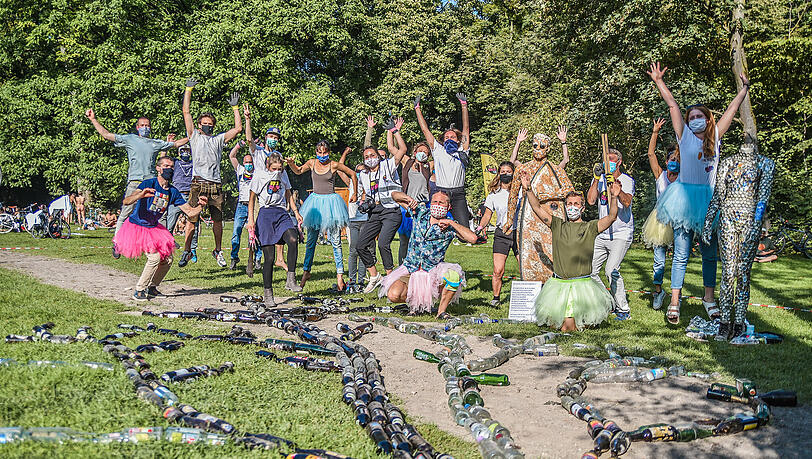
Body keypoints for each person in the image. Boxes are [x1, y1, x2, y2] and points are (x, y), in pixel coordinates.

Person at [648, 62, 751, 324]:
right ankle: (674, 300)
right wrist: (659, 81)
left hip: (707, 201)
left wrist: (744, 89)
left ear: (707, 119)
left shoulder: (715, 136)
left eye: (698, 116)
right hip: (683, 200)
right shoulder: (683, 136)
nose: (693, 120)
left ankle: (708, 298)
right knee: (681, 253)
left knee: (709, 254)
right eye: (690, 116)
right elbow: (672, 106)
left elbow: (731, 110)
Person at [520, 170, 620, 331]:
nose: (572, 207)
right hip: (559, 283)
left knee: (568, 328)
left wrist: (614, 197)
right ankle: (575, 319)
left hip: (581, 285)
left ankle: (581, 318)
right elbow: (537, 207)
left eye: (576, 204)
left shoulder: (590, 227)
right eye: (569, 204)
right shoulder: (558, 225)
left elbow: (612, 217)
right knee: (554, 325)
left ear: (582, 207)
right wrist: (528, 189)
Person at [85, 109, 188, 258]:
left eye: (147, 125)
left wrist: (193, 136)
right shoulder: (130, 139)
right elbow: (106, 135)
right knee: (126, 211)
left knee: (160, 212)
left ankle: (165, 240)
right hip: (135, 181)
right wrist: (93, 119)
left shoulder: (155, 143)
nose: (145, 127)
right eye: (142, 125)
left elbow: (176, 144)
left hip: (152, 183)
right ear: (137, 127)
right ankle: (117, 243)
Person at [702, 143, 775, 340]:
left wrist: (757, 223)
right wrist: (708, 223)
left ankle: (739, 320)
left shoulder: (765, 164)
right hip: (727, 219)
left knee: (743, 273)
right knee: (728, 271)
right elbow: (718, 196)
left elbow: (763, 198)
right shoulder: (727, 163)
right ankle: (725, 322)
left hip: (750, 220)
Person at [112, 156, 206, 300]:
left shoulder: (172, 191)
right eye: (166, 166)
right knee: (154, 258)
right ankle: (139, 290)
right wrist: (141, 195)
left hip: (154, 228)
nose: (170, 169)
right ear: (158, 168)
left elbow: (190, 212)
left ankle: (152, 287)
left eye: (172, 167)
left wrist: (201, 205)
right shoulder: (148, 183)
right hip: (138, 226)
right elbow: (126, 201)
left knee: (167, 259)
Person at [378, 191, 478, 318]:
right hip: (411, 267)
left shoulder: (450, 226)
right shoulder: (420, 212)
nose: (437, 205)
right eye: (435, 202)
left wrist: (452, 223)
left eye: (441, 203)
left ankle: (441, 312)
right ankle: (415, 304)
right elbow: (395, 196)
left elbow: (473, 238)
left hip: (432, 270)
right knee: (393, 295)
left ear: (448, 207)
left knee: (453, 276)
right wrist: (408, 198)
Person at [179, 78, 243, 268]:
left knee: (218, 220)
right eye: (205, 123)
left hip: (215, 183)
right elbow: (186, 111)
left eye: (210, 123)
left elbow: (238, 129)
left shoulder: (218, 140)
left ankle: (217, 250)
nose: (208, 125)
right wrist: (188, 89)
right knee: (192, 218)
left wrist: (235, 108)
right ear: (199, 125)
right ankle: (187, 250)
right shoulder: (194, 136)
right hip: (198, 182)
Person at [504, 126, 574, 282]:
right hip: (527, 218)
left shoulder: (555, 169)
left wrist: (547, 196)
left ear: (547, 149)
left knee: (550, 253)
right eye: (535, 145)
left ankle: (551, 287)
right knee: (528, 253)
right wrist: (510, 219)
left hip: (548, 218)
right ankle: (531, 292)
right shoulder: (523, 168)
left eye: (542, 146)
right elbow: (513, 195)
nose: (538, 149)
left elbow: (569, 191)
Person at [286, 141, 357, 290]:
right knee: (311, 242)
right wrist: (292, 164)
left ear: (329, 152)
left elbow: (353, 174)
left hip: (332, 204)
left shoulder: (334, 165)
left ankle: (340, 275)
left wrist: (355, 192)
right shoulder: (312, 163)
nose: (322, 155)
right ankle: (306, 271)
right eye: (320, 152)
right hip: (315, 205)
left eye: (325, 152)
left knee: (336, 242)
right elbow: (298, 171)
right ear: (316, 152)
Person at [357, 118, 408, 293]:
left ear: (379, 157)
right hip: (375, 212)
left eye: (373, 156)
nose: (370, 159)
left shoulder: (388, 166)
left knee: (383, 244)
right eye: (366, 157)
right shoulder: (363, 174)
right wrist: (363, 203)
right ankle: (374, 276)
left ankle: (390, 279)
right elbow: (365, 147)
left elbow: (402, 150)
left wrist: (395, 131)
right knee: (360, 244)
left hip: (391, 210)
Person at [246, 152, 304, 304]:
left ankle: (291, 279)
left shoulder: (283, 175)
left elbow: (288, 194)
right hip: (265, 214)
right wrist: (251, 220)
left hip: (281, 212)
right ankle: (268, 294)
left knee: (293, 238)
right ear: (268, 166)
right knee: (269, 258)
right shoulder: (259, 176)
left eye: (279, 168)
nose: (277, 171)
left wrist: (296, 212)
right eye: (274, 168)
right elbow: (251, 199)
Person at [587, 146, 635, 320]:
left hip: (621, 233)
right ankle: (609, 302)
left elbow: (627, 202)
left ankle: (623, 309)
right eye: (605, 160)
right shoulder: (600, 180)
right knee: (590, 272)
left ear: (619, 162)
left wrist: (617, 190)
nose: (608, 164)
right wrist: (596, 178)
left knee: (611, 270)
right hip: (602, 233)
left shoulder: (626, 180)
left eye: (612, 160)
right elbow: (591, 201)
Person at [414, 93, 471, 225]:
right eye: (447, 138)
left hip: (458, 194)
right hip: (441, 192)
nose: (449, 139)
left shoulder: (462, 151)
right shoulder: (438, 151)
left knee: (463, 230)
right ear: (443, 141)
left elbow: (466, 128)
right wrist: (417, 108)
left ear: (458, 140)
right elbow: (425, 130)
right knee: (433, 226)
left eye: (452, 137)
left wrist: (464, 106)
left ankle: (451, 227)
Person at [244, 106, 288, 272]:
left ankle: (279, 258)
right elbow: (249, 140)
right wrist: (248, 119)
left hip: (274, 195)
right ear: (265, 137)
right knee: (253, 227)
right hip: (258, 194)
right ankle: (251, 256)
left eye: (276, 137)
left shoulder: (278, 156)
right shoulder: (259, 152)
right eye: (271, 136)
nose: (273, 139)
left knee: (279, 226)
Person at [642, 118, 680, 310]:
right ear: (666, 161)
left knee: (679, 258)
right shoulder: (660, 175)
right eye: (671, 159)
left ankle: (676, 293)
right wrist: (655, 132)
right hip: (660, 221)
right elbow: (650, 154)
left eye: (677, 160)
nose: (674, 162)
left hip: (679, 219)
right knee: (659, 258)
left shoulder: (684, 177)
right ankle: (658, 291)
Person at [475, 161, 517, 307]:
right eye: (503, 171)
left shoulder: (521, 192)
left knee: (525, 269)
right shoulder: (494, 195)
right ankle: (496, 298)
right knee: (498, 270)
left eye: (508, 171)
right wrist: (480, 228)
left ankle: (530, 298)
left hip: (519, 234)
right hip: (502, 234)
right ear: (499, 174)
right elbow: (487, 215)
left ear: (513, 173)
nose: (506, 174)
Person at [228, 140, 263, 271]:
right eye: (246, 162)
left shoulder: (259, 171)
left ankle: (258, 259)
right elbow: (232, 156)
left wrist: (254, 145)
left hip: (255, 206)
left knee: (257, 232)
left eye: (250, 162)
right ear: (243, 163)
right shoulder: (240, 170)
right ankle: (234, 257)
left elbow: (261, 154)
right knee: (236, 231)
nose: (249, 164)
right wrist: (239, 145)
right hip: (242, 205)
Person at [398, 140, 433, 264]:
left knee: (421, 238)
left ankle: (419, 265)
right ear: (415, 152)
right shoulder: (407, 161)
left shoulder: (429, 165)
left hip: (423, 205)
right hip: (407, 204)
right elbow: (393, 149)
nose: (422, 153)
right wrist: (393, 131)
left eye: (425, 152)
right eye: (420, 151)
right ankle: (402, 266)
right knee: (404, 240)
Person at [166, 144, 200, 264]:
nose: (185, 153)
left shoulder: (194, 163)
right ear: (179, 152)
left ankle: (193, 249)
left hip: (191, 195)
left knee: (193, 225)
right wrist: (169, 144)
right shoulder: (175, 162)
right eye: (183, 150)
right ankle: (168, 243)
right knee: (169, 223)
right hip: (177, 196)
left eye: (187, 150)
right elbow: (163, 159)